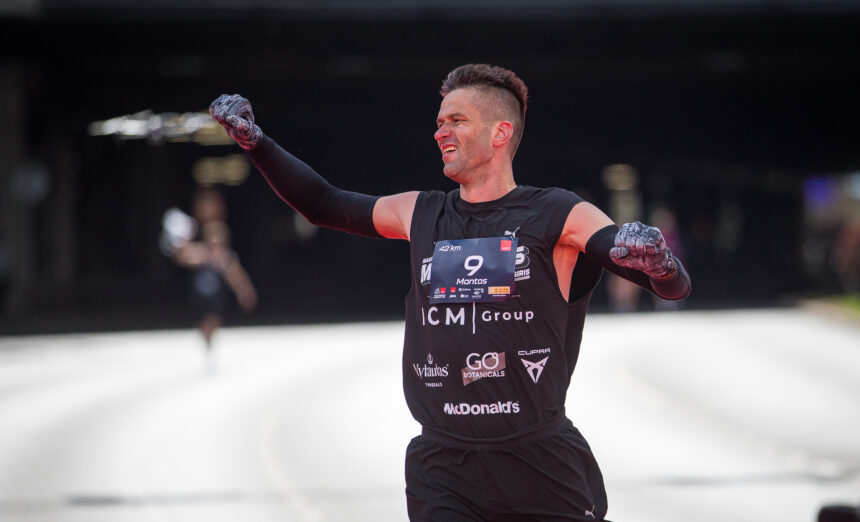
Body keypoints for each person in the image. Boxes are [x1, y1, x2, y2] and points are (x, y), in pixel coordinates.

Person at [210, 63, 690, 522]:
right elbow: (322, 203)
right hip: (443, 468)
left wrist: (659, 263)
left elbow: (666, 284)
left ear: (500, 133)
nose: (440, 132)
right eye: (439, 123)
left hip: (540, 461)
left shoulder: (559, 213)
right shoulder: (420, 213)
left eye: (456, 121)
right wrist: (257, 143)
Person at [168, 187, 257, 359]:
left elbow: (234, 272)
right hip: (199, 290)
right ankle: (206, 336)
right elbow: (182, 257)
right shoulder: (197, 247)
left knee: (213, 318)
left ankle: (209, 337)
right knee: (203, 318)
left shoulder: (224, 257)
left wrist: (244, 291)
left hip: (215, 292)